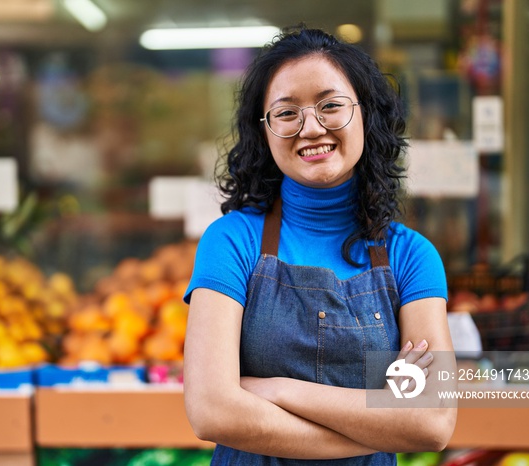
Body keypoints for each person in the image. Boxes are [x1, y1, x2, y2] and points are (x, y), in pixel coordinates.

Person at [182, 26, 457, 465]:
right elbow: (211, 412)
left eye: (330, 106)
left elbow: (433, 422)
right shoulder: (232, 241)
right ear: (265, 130)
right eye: (286, 113)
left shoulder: (412, 257)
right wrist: (383, 422)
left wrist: (274, 388)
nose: (310, 128)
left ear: (365, 114)